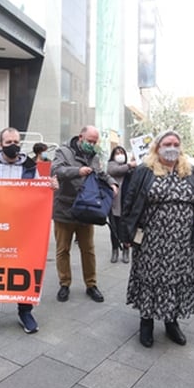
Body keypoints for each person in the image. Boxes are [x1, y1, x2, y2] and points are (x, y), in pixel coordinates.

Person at [119, 130, 194, 348]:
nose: (172, 147)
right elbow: (129, 202)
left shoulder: (191, 172)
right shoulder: (144, 171)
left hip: (182, 242)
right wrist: (126, 234)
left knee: (176, 280)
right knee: (150, 278)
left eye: (176, 143)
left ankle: (171, 321)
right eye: (167, 143)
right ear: (157, 147)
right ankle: (146, 321)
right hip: (152, 240)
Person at [0, 127, 44, 335]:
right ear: (1, 144)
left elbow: (40, 192)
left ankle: (25, 311)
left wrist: (50, 187)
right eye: (8, 142)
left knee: (25, 268)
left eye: (16, 141)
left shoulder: (31, 167)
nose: (12, 145)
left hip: (23, 229)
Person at [51, 125, 118, 303]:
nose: (92, 144)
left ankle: (91, 284)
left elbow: (100, 173)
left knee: (88, 250)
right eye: (90, 141)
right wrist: (77, 171)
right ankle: (64, 283)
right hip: (64, 209)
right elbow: (56, 171)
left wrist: (112, 183)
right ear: (80, 137)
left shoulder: (93, 156)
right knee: (62, 249)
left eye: (95, 142)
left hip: (87, 209)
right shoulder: (63, 151)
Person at [106, 146, 135, 263]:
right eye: (117, 153)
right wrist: (130, 165)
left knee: (126, 229)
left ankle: (126, 250)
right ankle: (115, 250)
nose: (120, 154)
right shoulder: (111, 165)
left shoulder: (130, 168)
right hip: (114, 203)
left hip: (126, 203)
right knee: (114, 228)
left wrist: (134, 163)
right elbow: (114, 171)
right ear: (113, 155)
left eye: (122, 152)